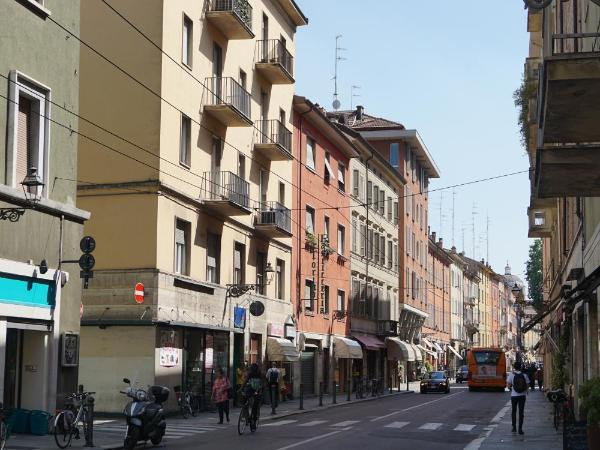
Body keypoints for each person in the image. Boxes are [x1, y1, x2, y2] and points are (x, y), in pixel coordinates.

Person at [506, 361, 529, 435]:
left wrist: (511, 387)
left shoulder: (511, 375)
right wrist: (526, 391)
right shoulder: (524, 375)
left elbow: (508, 386)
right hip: (522, 396)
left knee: (514, 411)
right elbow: (527, 385)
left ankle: (514, 428)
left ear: (514, 367)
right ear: (520, 367)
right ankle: (520, 429)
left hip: (514, 396)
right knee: (521, 412)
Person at [243, 363, 263, 428]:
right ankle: (253, 421)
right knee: (255, 406)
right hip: (256, 391)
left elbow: (245, 382)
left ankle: (249, 418)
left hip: (252, 390)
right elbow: (262, 384)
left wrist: (241, 389)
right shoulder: (259, 374)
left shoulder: (251, 374)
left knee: (247, 402)